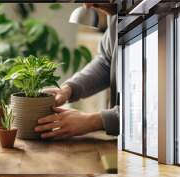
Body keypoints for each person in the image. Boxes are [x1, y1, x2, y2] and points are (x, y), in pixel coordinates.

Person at [35, 3, 118, 139]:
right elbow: (107, 62)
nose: (87, 4)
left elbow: (158, 110)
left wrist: (94, 121)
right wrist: (69, 88)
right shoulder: (115, 16)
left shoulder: (157, 12)